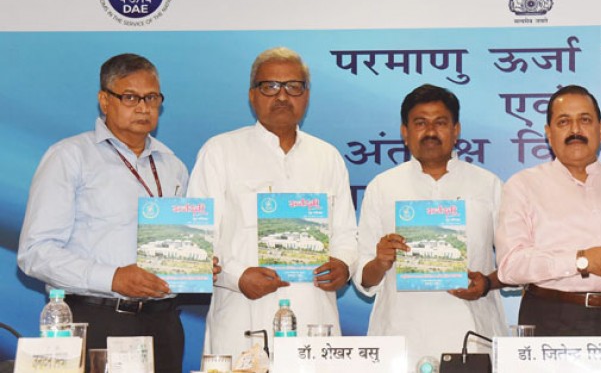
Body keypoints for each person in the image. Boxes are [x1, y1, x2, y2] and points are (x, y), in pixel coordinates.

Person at [18, 53, 190, 373]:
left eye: (152, 98)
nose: (143, 107)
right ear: (104, 100)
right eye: (130, 97)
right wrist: (113, 277)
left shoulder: (173, 166)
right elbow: (35, 253)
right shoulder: (70, 157)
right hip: (98, 320)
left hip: (164, 325)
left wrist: (196, 265)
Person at [188, 47, 358, 360]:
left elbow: (347, 234)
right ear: (252, 95)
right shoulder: (220, 152)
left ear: (307, 95)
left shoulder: (327, 157)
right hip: (242, 318)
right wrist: (237, 276)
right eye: (270, 86)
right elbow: (197, 241)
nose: (282, 96)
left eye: (294, 86)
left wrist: (344, 265)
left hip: (313, 321)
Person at [495, 84, 601, 365]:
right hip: (551, 318)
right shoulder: (523, 185)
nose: (575, 130)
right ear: (548, 132)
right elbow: (510, 266)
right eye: (564, 122)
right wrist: (582, 261)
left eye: (585, 120)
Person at [354, 84, 507, 369]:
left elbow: (515, 266)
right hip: (401, 338)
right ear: (405, 131)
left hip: (473, 336)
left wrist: (486, 283)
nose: (431, 131)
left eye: (440, 123)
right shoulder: (382, 187)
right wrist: (380, 261)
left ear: (456, 130)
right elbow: (363, 278)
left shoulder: (489, 185)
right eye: (420, 123)